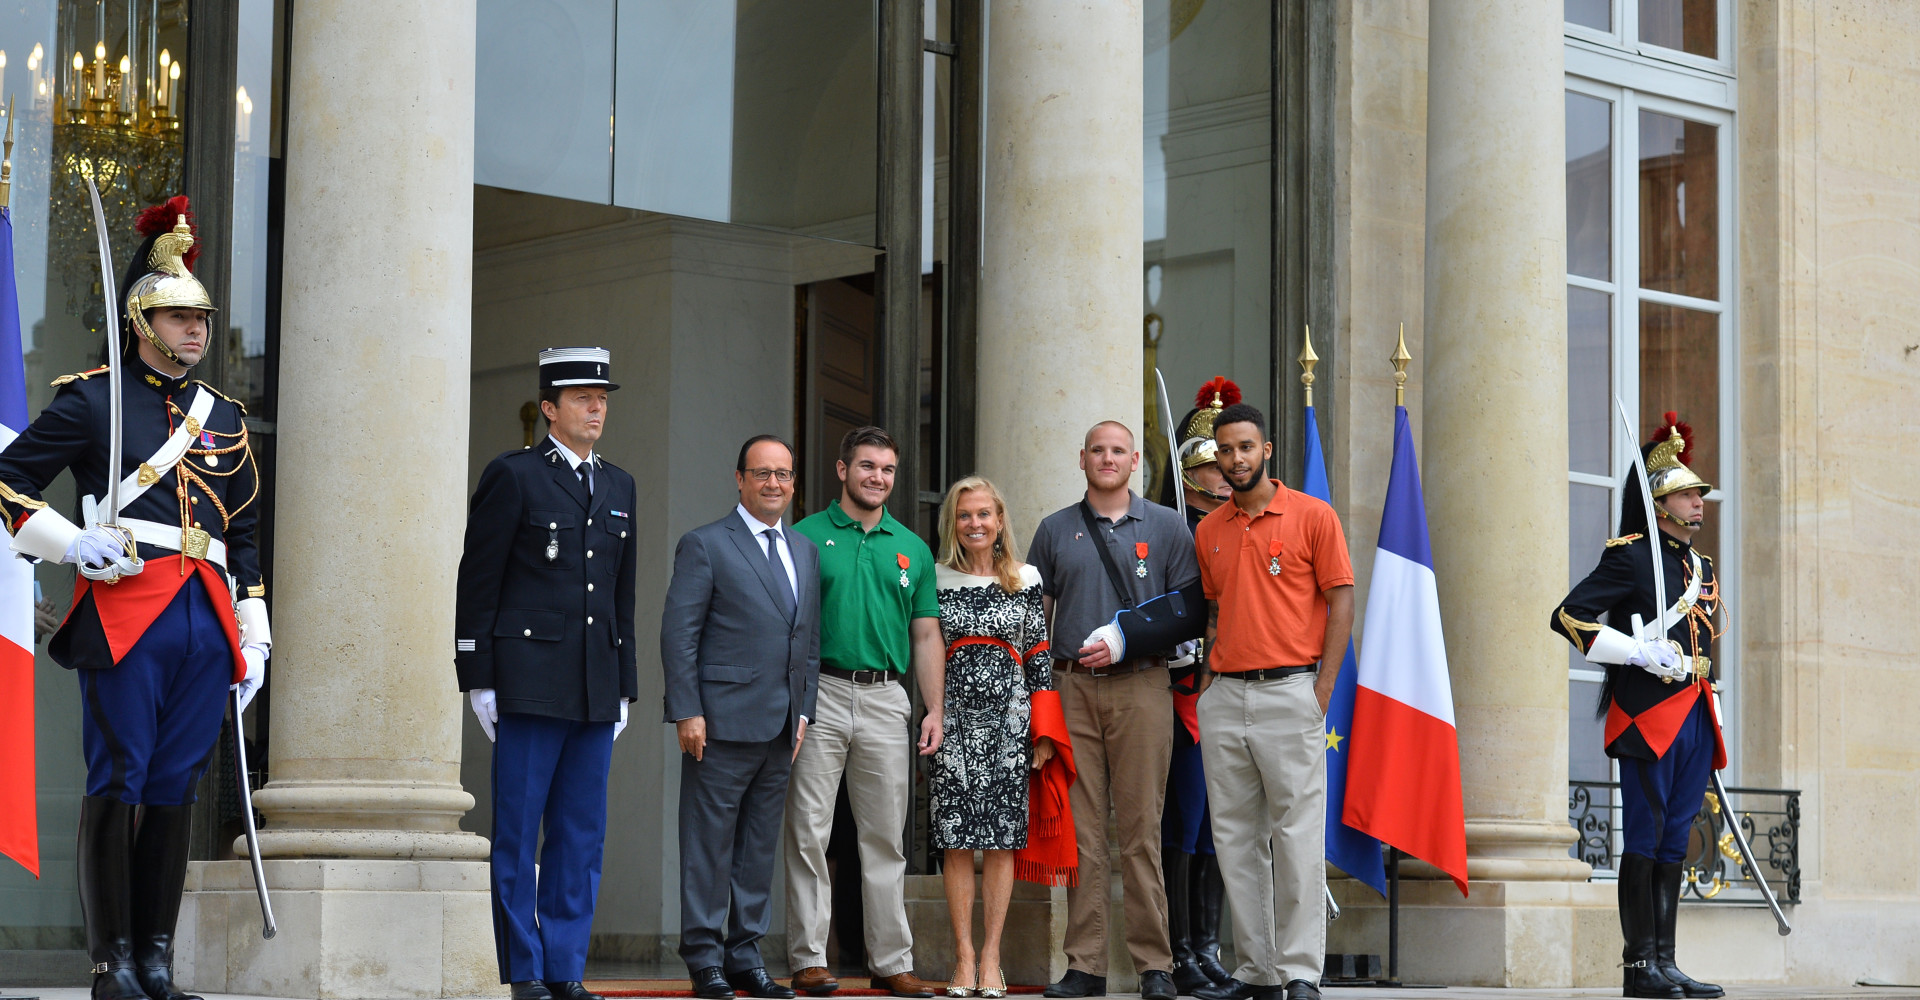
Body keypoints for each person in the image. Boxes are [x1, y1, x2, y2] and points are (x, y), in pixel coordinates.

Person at [0, 197, 268, 1000]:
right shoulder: (91, 400)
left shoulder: (224, 417)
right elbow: (8, 481)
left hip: (204, 618)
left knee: (174, 788)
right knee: (119, 778)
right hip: (127, 609)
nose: (196, 329)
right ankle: (110, 963)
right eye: (179, 316)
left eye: (202, 317)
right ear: (141, 320)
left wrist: (253, 630)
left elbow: (245, 534)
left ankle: (155, 959)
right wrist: (69, 542)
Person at [455, 348, 637, 1000]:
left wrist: (626, 684)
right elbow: (479, 580)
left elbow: (624, 596)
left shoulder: (619, 486)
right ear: (551, 407)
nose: (597, 406)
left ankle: (565, 967)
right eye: (584, 397)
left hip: (593, 684)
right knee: (518, 832)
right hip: (527, 679)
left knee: (580, 837)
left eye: (603, 397)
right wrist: (478, 675)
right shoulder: (515, 475)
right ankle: (526, 970)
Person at [1551, 413, 1725, 1000]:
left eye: (1699, 493)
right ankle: (1638, 968)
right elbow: (1568, 617)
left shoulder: (1699, 568)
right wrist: (1635, 652)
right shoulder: (1630, 556)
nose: (1698, 501)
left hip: (1696, 710)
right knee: (1646, 835)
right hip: (1649, 714)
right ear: (1659, 499)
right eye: (1685, 493)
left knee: (1676, 838)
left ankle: (1667, 962)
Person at [1029, 421, 1200, 1000]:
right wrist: (1039, 698)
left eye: (1118, 451)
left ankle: (1156, 965)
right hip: (1071, 688)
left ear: (1135, 462)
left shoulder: (1169, 527)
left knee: (1141, 832)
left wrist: (1131, 638)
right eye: (1097, 450)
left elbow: (1189, 612)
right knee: (1082, 834)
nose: (1107, 458)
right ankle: (1085, 966)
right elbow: (1037, 620)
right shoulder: (1054, 530)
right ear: (1082, 459)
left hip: (1142, 688)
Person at [1191, 403, 1353, 1000]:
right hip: (1226, 695)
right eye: (1225, 451)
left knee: (1296, 836)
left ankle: (1301, 971)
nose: (1235, 460)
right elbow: (1213, 610)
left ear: (1266, 450)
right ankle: (1255, 972)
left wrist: (1323, 689)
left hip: (1292, 691)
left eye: (1245, 448)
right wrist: (1209, 681)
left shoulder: (1314, 516)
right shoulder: (1208, 531)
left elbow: (1342, 603)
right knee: (1235, 839)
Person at [786, 426, 944, 999]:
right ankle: (809, 957)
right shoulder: (803, 537)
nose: (878, 478)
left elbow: (926, 635)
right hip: (820, 692)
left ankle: (891, 961)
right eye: (867, 467)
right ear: (842, 470)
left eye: (887, 470)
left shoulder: (912, 547)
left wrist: (934, 709)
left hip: (885, 697)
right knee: (809, 831)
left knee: (885, 837)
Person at [661, 434, 821, 1000]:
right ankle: (704, 957)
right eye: (761, 473)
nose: (773, 483)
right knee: (708, 843)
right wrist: (687, 710)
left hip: (783, 725)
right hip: (720, 721)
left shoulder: (804, 549)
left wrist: (806, 711)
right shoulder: (705, 544)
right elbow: (679, 636)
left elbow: (809, 639)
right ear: (739, 479)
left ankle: (744, 955)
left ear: (794, 482)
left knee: (756, 847)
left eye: (782, 474)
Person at [929, 476, 1065, 999]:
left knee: (1003, 842)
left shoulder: (1025, 577)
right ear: (953, 524)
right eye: (965, 516)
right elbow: (927, 648)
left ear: (1000, 519)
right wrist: (932, 714)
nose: (976, 524)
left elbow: (1038, 654)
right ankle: (963, 956)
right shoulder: (934, 577)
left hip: (1012, 724)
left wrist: (1045, 730)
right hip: (954, 722)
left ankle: (992, 959)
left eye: (984, 514)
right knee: (957, 841)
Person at [1163, 379, 1238, 994]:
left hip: (1234, 688)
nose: (1222, 474)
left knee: (1220, 823)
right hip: (1181, 691)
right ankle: (1180, 948)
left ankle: (1209, 944)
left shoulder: (1240, 526)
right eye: (1211, 462)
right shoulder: (1171, 529)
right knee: (1185, 821)